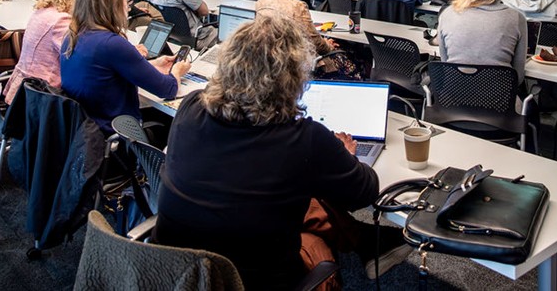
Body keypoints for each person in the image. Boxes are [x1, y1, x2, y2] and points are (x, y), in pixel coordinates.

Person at [153, 15, 409, 290]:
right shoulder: (303, 139)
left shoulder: (191, 106)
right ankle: (366, 242)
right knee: (315, 233)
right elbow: (366, 191)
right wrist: (345, 155)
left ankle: (367, 242)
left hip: (176, 272)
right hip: (247, 281)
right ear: (294, 78)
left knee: (301, 197)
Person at [60, 0, 187, 135]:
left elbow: (107, 71)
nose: (128, 8)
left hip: (89, 130)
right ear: (112, 5)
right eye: (127, 2)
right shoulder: (111, 44)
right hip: (117, 136)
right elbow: (168, 89)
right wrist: (177, 70)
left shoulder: (72, 36)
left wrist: (150, 65)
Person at [438, 0, 527, 83]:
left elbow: (445, 64)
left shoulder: (447, 15)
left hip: (452, 99)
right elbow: (517, 78)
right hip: (499, 101)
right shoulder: (517, 19)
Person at [4, 0, 89, 104]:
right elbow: (82, 58)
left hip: (26, 92)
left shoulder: (43, 12)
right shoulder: (61, 20)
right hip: (44, 99)